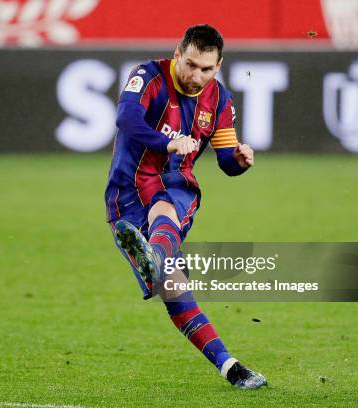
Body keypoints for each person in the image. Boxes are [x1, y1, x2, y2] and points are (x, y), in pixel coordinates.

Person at [104, 24, 267, 389]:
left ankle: (154, 255)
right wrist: (166, 144)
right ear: (178, 54)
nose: (196, 76)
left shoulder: (220, 100)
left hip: (176, 186)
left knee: (164, 209)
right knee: (174, 291)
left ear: (218, 66)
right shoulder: (149, 76)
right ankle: (231, 368)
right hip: (126, 191)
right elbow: (125, 119)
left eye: (206, 69)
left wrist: (239, 160)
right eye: (190, 65)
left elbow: (226, 158)